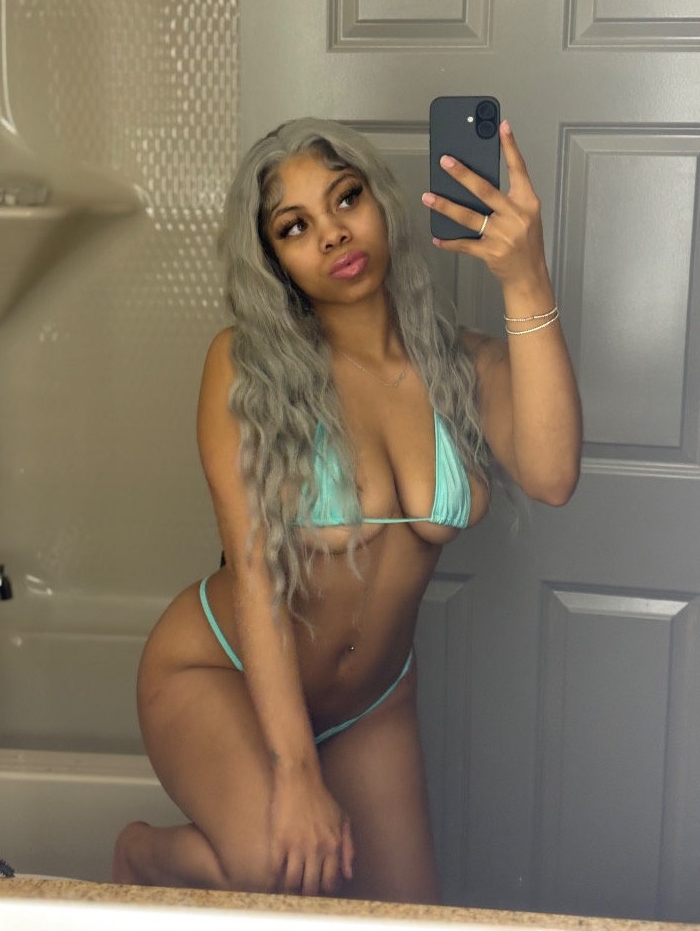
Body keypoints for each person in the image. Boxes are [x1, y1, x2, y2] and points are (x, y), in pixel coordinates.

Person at [113, 116, 582, 904]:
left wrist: (525, 279)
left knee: (406, 917)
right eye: (295, 227)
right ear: (274, 262)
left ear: (381, 203)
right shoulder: (245, 370)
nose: (332, 233)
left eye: (346, 198)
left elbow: (553, 475)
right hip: (219, 669)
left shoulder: (466, 366)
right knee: (271, 867)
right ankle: (142, 855)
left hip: (373, 704)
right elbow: (256, 577)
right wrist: (296, 774)